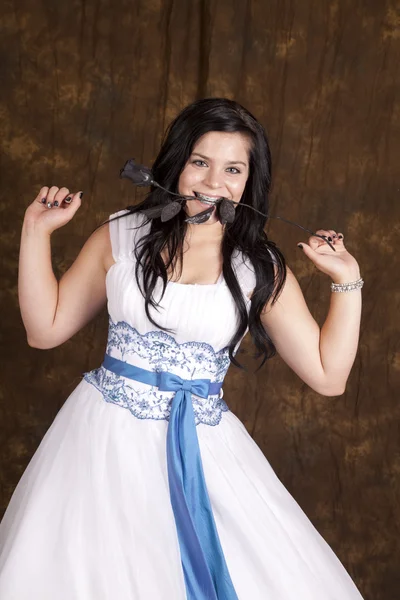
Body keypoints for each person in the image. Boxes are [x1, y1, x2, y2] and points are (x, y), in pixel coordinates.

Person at [0, 98, 364, 599]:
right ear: (176, 164)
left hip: (202, 448)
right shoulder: (123, 233)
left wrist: (348, 281)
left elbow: (329, 376)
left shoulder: (258, 267)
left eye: (233, 169)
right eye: (201, 162)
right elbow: (45, 329)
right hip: (100, 441)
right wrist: (35, 231)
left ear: (248, 182)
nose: (214, 182)